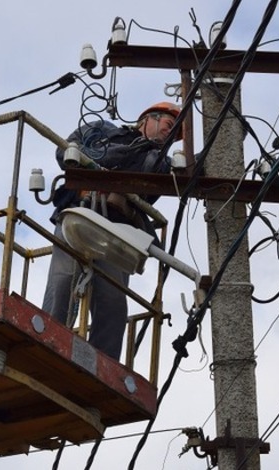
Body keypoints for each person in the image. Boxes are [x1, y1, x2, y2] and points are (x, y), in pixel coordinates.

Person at [42, 101, 182, 360]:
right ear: (146, 120)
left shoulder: (159, 162)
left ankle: (103, 364)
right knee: (62, 284)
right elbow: (66, 152)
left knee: (112, 302)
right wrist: (113, 157)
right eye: (168, 125)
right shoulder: (102, 131)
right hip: (78, 215)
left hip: (117, 232)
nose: (170, 134)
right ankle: (47, 345)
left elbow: (156, 180)